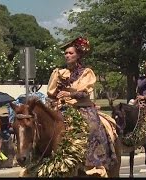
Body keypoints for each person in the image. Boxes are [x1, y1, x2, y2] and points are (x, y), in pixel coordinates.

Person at [47, 36, 117, 176]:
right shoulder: (60, 73)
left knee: (92, 127)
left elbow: (84, 93)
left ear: (78, 55)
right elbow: (51, 92)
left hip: (82, 107)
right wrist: (57, 96)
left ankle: (94, 163)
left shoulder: (86, 72)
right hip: (62, 107)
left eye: (70, 53)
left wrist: (68, 94)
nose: (67, 55)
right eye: (66, 53)